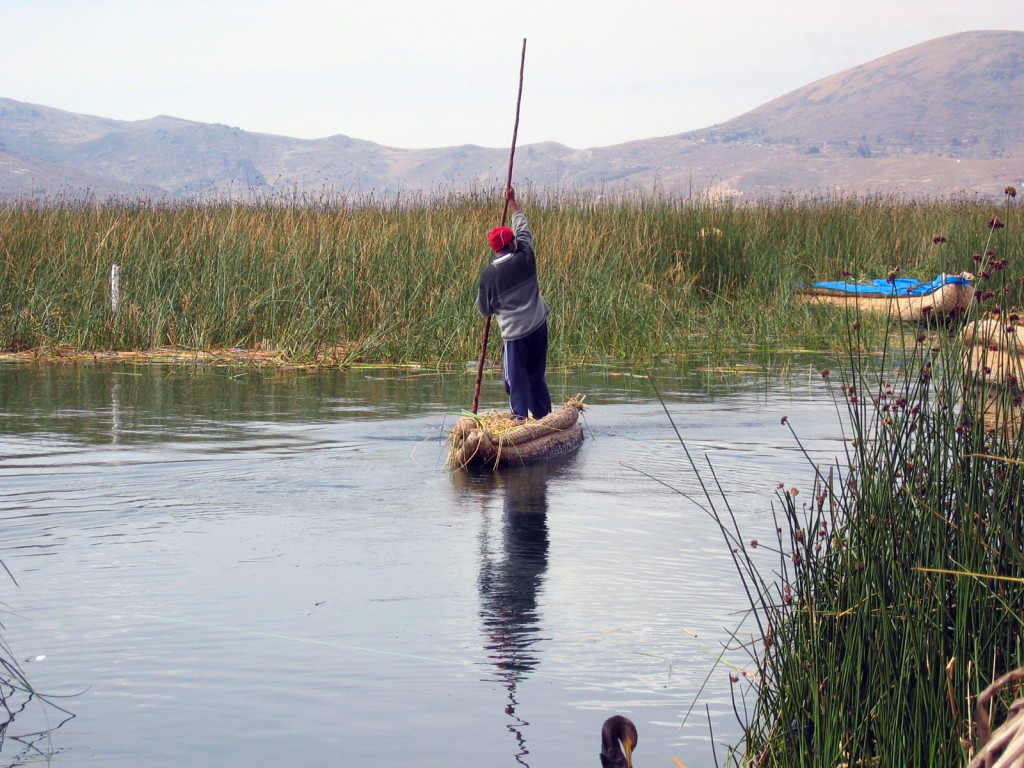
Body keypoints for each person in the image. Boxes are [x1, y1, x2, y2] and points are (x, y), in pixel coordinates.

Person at [476, 186, 553, 422]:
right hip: (538, 325)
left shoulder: (489, 275)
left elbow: (484, 309)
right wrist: (512, 202)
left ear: (494, 248)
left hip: (515, 335)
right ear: (512, 244)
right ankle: (543, 416)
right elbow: (523, 228)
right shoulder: (526, 256)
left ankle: (519, 418)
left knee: (514, 379)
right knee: (535, 375)